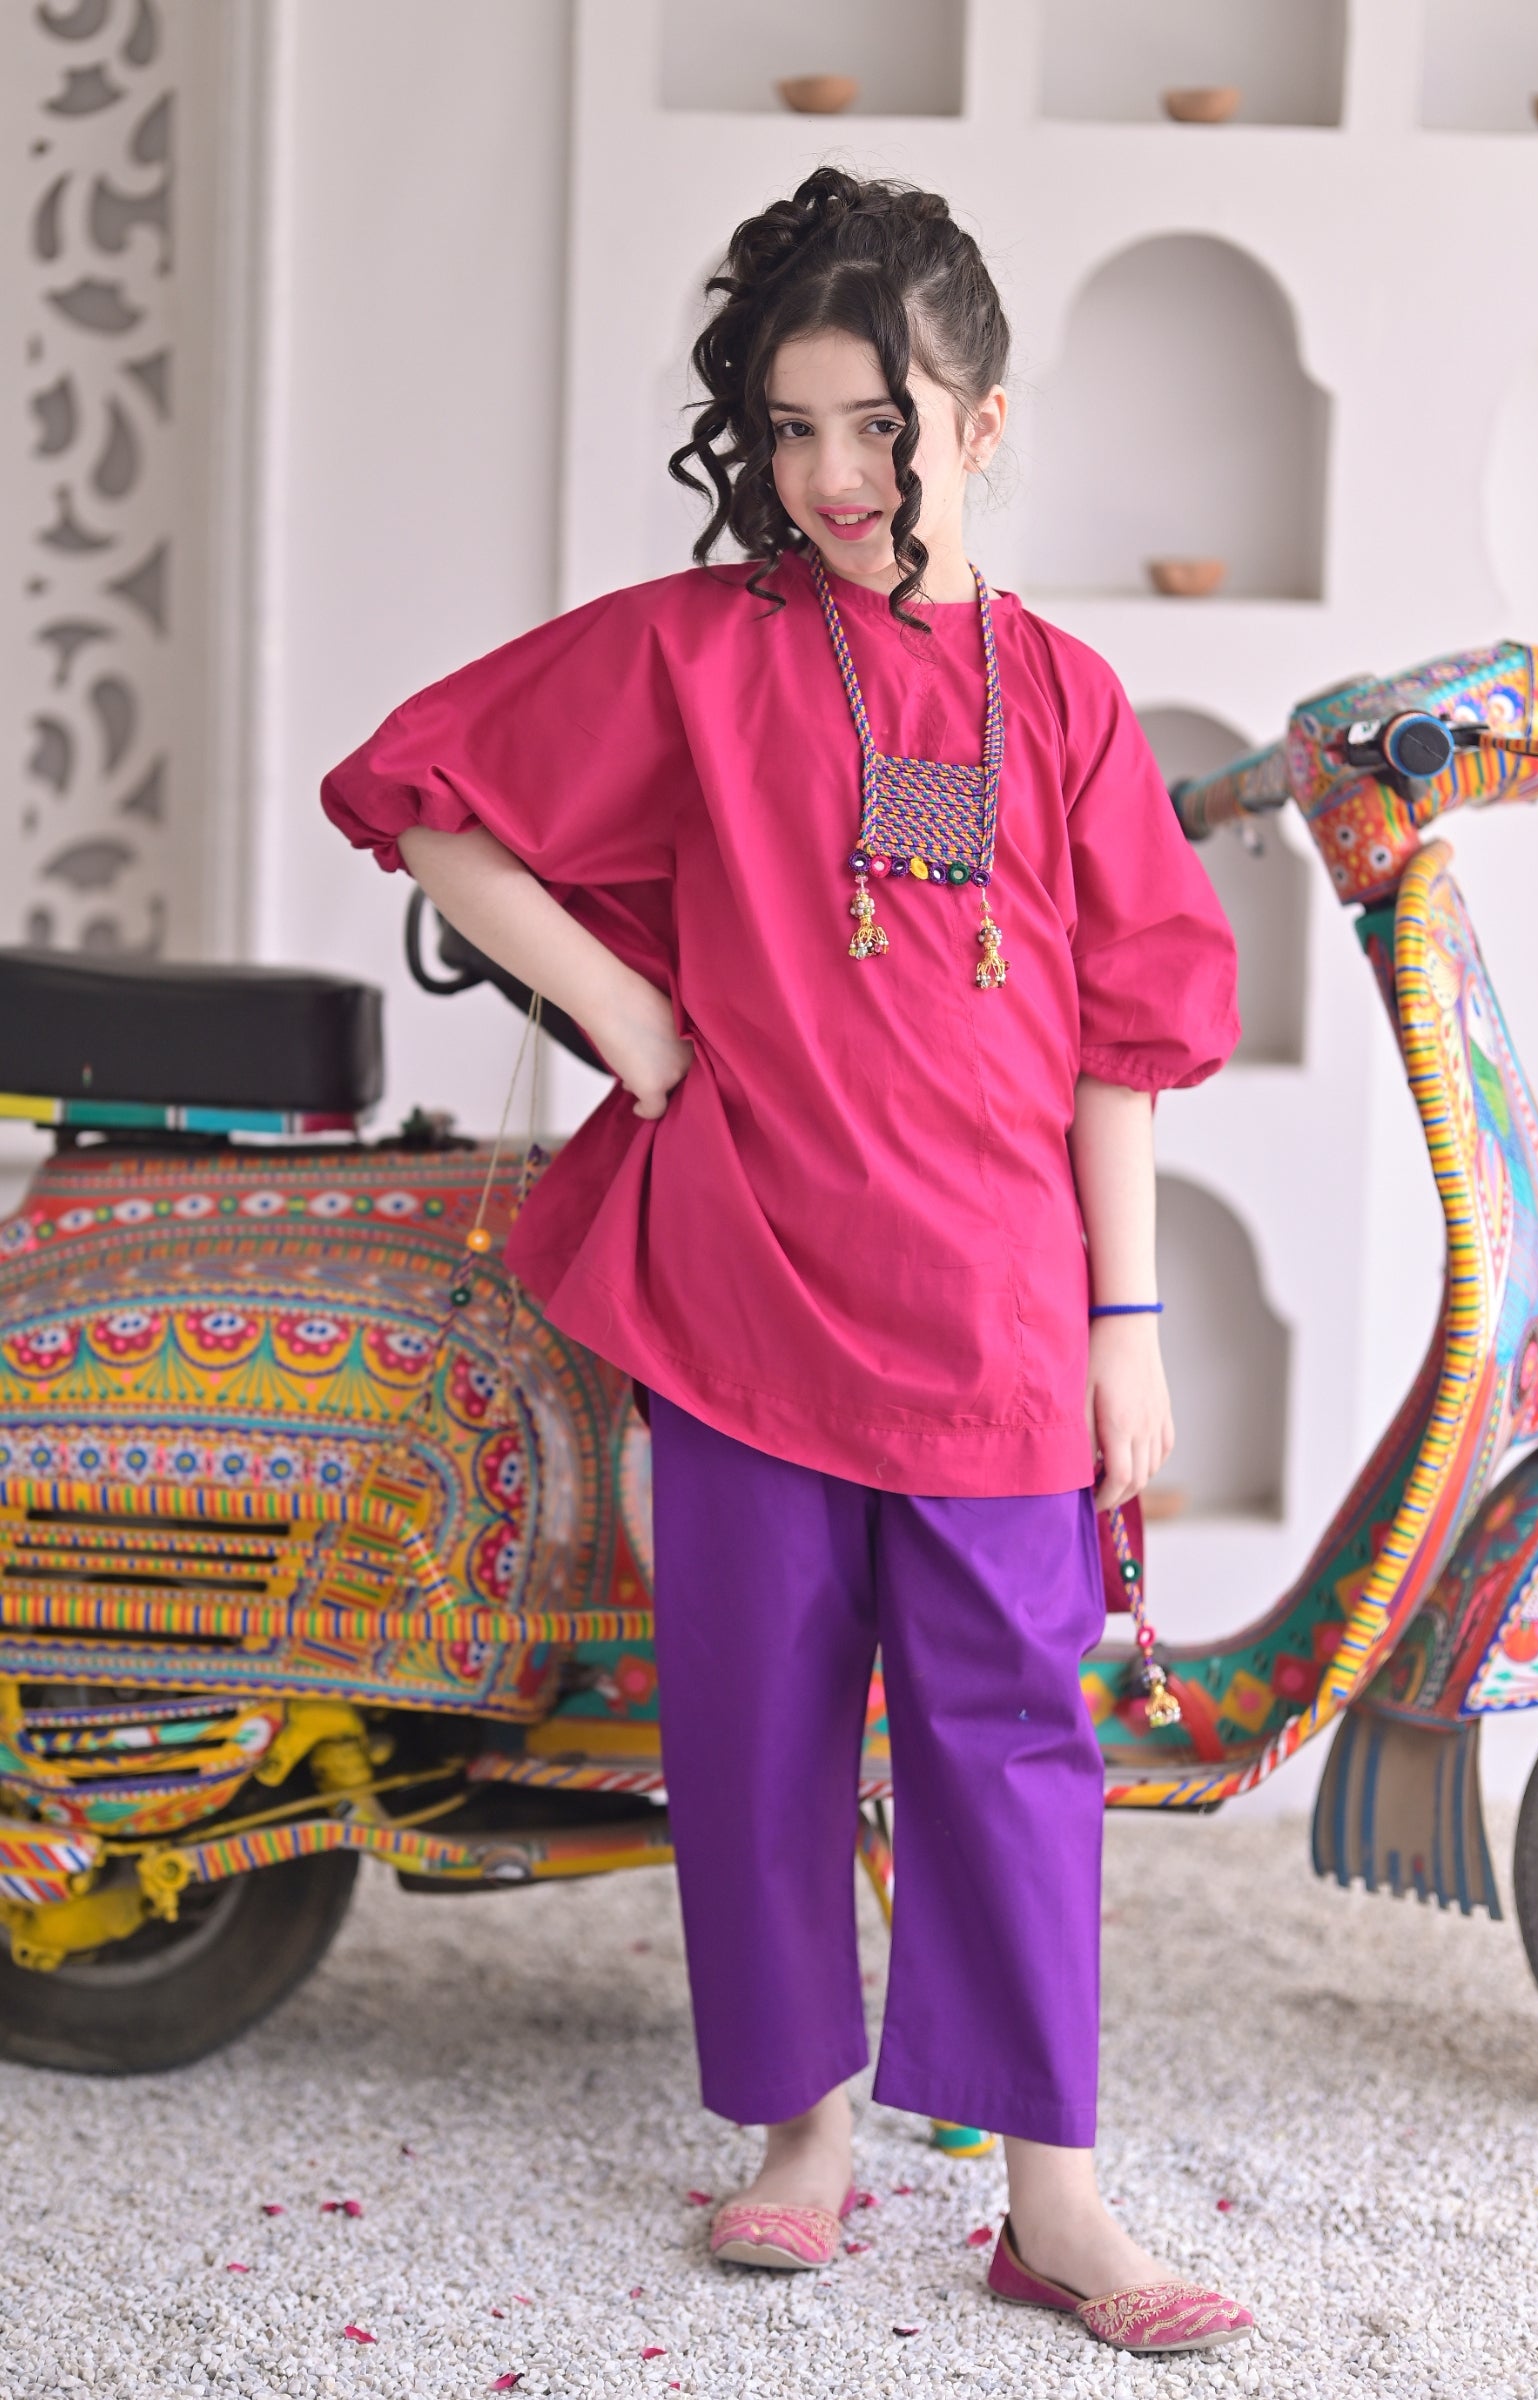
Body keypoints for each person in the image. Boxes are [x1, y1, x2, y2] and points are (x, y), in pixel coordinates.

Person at [322, 169, 1250, 2357]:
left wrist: (1127, 1326)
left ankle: (1054, 2201)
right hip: (742, 1292)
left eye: (873, 425)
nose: (827, 478)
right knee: (750, 1735)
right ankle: (799, 2140)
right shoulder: (694, 651)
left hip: (1002, 1314)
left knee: (1009, 1740)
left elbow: (1122, 1033)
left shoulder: (1076, 701)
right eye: (788, 428)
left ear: (983, 419)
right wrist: (626, 1021)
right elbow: (415, 785)